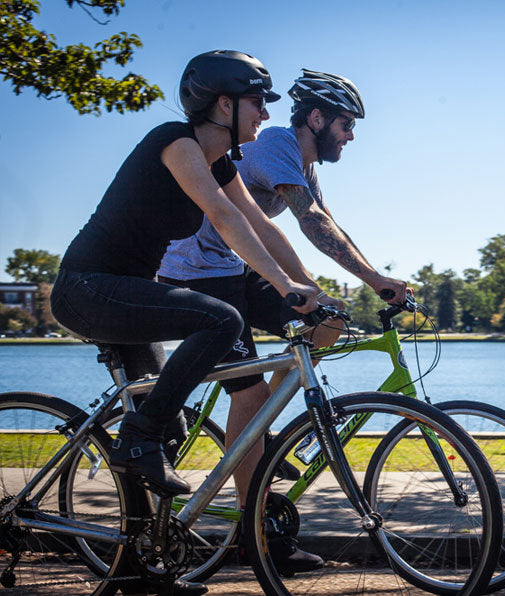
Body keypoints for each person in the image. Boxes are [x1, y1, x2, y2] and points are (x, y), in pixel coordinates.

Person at [50, 50, 320, 595]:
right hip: (88, 288)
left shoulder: (221, 162)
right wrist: (282, 287)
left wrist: (307, 288)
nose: (265, 114)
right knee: (221, 321)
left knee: (165, 431)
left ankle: (135, 566)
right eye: (257, 103)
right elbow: (223, 219)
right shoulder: (176, 142)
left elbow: (257, 225)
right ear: (224, 104)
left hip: (128, 296)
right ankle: (137, 435)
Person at [156, 69, 408, 572]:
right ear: (316, 118)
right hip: (198, 276)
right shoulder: (273, 144)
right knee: (247, 396)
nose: (351, 136)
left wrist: (353, 284)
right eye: (346, 125)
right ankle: (257, 533)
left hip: (239, 269)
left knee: (328, 322)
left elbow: (326, 221)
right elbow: (310, 222)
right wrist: (373, 278)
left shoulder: (302, 162)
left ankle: (261, 433)